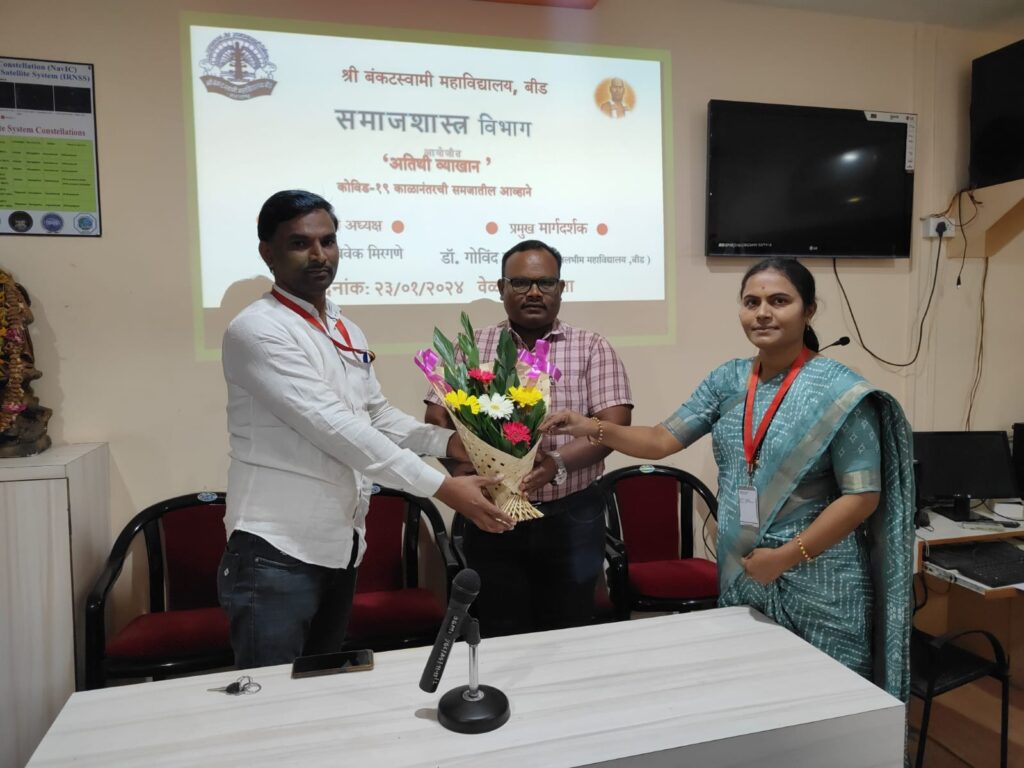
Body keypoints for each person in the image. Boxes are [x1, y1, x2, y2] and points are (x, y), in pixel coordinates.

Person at [541, 257, 914, 701]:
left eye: (779, 301)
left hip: (822, 581)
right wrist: (590, 426)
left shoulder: (839, 391)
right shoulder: (728, 379)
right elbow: (661, 439)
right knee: (753, 700)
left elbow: (862, 497)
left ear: (809, 310)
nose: (763, 313)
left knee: (827, 706)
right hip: (744, 572)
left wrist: (787, 557)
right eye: (751, 302)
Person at [219, 189, 512, 668]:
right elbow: (336, 430)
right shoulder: (258, 330)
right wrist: (442, 486)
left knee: (322, 689)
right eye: (300, 243)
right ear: (266, 252)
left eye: (328, 242)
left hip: (341, 545)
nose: (319, 256)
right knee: (270, 709)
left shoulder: (344, 328)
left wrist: (453, 442)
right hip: (276, 551)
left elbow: (374, 415)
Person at [425, 240, 633, 637]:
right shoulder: (473, 346)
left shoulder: (591, 347)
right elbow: (437, 415)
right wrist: (466, 469)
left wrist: (554, 465)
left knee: (570, 628)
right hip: (492, 514)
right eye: (520, 282)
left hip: (571, 514)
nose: (534, 292)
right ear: (501, 288)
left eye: (545, 283)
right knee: (500, 628)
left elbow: (612, 427)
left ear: (561, 289)